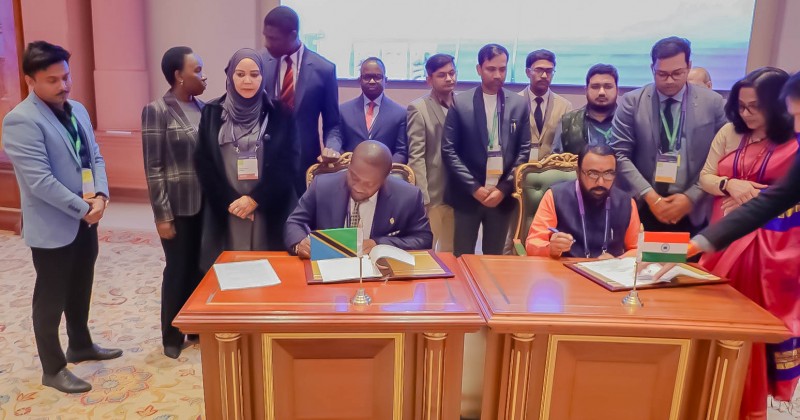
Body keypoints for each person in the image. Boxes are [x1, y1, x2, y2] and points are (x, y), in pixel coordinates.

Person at [2, 41, 122, 393]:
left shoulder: (78, 109)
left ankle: (80, 344)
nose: (64, 85)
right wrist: (84, 208)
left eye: (66, 77)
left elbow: (95, 156)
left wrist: (101, 196)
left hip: (87, 216)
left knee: (81, 283)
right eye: (52, 80)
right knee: (50, 297)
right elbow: (40, 182)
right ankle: (52, 368)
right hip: (54, 224)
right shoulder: (21, 120)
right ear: (30, 81)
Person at [695, 67, 798, 419]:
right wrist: (730, 186)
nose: (747, 113)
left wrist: (755, 197)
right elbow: (707, 176)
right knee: (713, 318)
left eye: (756, 107)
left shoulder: (793, 141)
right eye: (741, 106)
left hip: (770, 248)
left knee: (749, 329)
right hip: (725, 234)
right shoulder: (730, 132)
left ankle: (744, 405)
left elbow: (785, 196)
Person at [609, 36, 727, 236]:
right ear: (652, 69)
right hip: (644, 204)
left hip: (694, 208)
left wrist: (691, 197)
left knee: (691, 258)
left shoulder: (713, 102)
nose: (670, 80)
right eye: (662, 74)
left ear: (689, 66)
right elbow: (619, 154)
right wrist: (651, 197)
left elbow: (723, 156)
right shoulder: (632, 102)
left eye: (677, 73)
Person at [194, 48, 298, 270]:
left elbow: (289, 163)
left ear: (263, 76)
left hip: (268, 204)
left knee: (269, 268)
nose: (247, 81)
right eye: (240, 74)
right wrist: (231, 202)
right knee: (228, 268)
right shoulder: (212, 112)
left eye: (254, 74)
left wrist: (255, 200)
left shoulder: (281, 113)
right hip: (227, 205)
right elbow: (204, 162)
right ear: (230, 76)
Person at [141, 46, 207, 359]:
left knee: (200, 268)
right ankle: (171, 334)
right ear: (179, 75)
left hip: (206, 206)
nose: (203, 76)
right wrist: (162, 215)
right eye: (197, 70)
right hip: (177, 207)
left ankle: (194, 326)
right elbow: (153, 167)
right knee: (178, 269)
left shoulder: (205, 109)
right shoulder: (157, 110)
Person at [442, 44, 531, 256]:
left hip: (502, 196)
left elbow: (523, 150)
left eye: (502, 69)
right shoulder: (460, 102)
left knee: (494, 258)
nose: (498, 75)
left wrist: (503, 188)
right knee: (462, 256)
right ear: (479, 69)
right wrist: (474, 188)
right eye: (491, 69)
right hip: (468, 195)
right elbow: (449, 150)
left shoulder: (518, 104)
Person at [285, 140, 432, 257]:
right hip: (328, 265)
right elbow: (295, 222)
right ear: (349, 166)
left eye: (369, 184)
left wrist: (379, 244)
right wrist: (300, 243)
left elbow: (424, 239)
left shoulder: (408, 196)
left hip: (380, 275)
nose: (358, 187)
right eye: (354, 177)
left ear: (384, 180)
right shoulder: (322, 186)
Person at [261, 5, 341, 194]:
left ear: (293, 35)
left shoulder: (324, 69)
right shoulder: (261, 64)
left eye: (273, 39)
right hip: (266, 163)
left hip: (304, 165)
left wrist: (332, 148)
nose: (266, 44)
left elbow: (333, 124)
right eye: (266, 36)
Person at [525, 144, 640, 258]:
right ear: (578, 172)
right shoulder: (555, 196)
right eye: (593, 173)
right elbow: (533, 243)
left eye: (608, 173)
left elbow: (637, 250)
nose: (600, 182)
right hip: (564, 268)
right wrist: (550, 248)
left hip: (609, 269)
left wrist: (617, 261)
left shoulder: (626, 203)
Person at [407, 54, 457, 252]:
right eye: (442, 75)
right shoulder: (418, 108)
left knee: (452, 252)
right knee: (427, 251)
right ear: (429, 79)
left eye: (452, 73)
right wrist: (423, 197)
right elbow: (416, 156)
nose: (449, 79)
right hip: (433, 194)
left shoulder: (465, 104)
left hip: (461, 193)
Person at [334, 57, 408, 162]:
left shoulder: (400, 114)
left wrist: (384, 169)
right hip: (350, 169)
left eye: (377, 77)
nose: (372, 81)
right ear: (359, 80)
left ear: (385, 80)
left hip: (387, 170)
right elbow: (338, 144)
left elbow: (401, 152)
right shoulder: (343, 111)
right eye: (367, 77)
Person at [518, 49, 572, 160]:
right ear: (528, 72)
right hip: (520, 166)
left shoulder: (564, 106)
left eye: (549, 71)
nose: (544, 75)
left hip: (551, 167)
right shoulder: (514, 102)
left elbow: (567, 144)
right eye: (539, 70)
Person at [553, 64, 619, 154]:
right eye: (595, 87)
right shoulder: (568, 122)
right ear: (586, 90)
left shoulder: (628, 122)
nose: (601, 92)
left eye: (608, 87)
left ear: (617, 90)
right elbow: (556, 160)